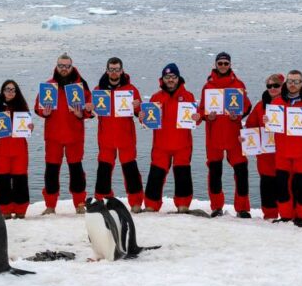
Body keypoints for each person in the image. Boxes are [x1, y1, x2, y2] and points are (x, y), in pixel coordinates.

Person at [34, 53, 92, 214]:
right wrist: (44, 112)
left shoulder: (80, 86)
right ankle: (50, 205)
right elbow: (37, 107)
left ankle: (79, 203)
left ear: (71, 67)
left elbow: (90, 105)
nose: (64, 69)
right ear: (56, 66)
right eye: (61, 66)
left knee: (76, 171)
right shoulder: (49, 86)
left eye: (67, 66)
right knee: (51, 172)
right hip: (53, 136)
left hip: (74, 135)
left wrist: (82, 114)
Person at [197, 52, 252, 217]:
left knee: (241, 171)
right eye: (220, 63)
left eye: (225, 63)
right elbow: (202, 110)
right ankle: (216, 207)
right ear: (215, 65)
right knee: (214, 171)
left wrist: (238, 114)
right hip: (214, 135)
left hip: (234, 134)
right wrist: (208, 116)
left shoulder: (238, 84)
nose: (222, 66)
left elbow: (247, 107)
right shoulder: (208, 87)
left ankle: (242, 208)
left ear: (230, 65)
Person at [268, 70, 302, 227]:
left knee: (301, 186)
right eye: (290, 81)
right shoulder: (277, 102)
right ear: (286, 82)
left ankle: (301, 217)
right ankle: (285, 216)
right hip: (282, 151)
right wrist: (268, 120)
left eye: (296, 82)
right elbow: (272, 125)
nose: (293, 84)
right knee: (282, 185)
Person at [93, 57, 144, 212]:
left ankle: (135, 202)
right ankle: (102, 199)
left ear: (122, 70)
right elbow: (90, 111)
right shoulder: (98, 89)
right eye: (111, 69)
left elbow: (140, 113)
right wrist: (90, 108)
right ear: (107, 70)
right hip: (106, 137)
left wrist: (138, 107)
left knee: (130, 171)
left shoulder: (131, 89)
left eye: (117, 69)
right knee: (104, 170)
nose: (114, 72)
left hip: (125, 137)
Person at [142, 63, 195, 213]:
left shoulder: (188, 96)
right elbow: (148, 120)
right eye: (167, 77)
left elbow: (195, 119)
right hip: (161, 145)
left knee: (183, 176)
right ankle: (151, 205)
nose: (170, 80)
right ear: (162, 79)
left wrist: (197, 117)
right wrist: (142, 117)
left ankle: (183, 205)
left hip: (182, 145)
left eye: (173, 77)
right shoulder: (156, 97)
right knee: (156, 177)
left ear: (178, 78)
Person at [0, 79, 33, 219]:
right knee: (3, 182)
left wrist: (30, 127)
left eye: (13, 89)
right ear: (2, 91)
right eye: (8, 89)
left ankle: (20, 209)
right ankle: (5, 210)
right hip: (1, 150)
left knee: (20, 182)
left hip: (19, 150)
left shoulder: (22, 106)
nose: (10, 92)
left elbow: (27, 126)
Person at [242, 73, 284, 220]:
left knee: (285, 187)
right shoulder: (261, 105)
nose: (272, 88)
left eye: (276, 85)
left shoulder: (289, 105)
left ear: (282, 86)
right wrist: (246, 138)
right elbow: (250, 125)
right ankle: (270, 216)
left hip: (283, 153)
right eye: (269, 86)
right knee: (267, 187)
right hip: (265, 155)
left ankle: (287, 217)